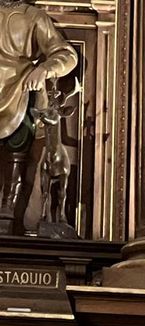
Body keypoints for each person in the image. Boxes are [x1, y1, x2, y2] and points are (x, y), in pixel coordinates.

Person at [0, 0, 76, 235]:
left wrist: (45, 69)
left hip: (17, 89)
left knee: (18, 142)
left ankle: (7, 209)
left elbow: (66, 54)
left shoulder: (33, 16)